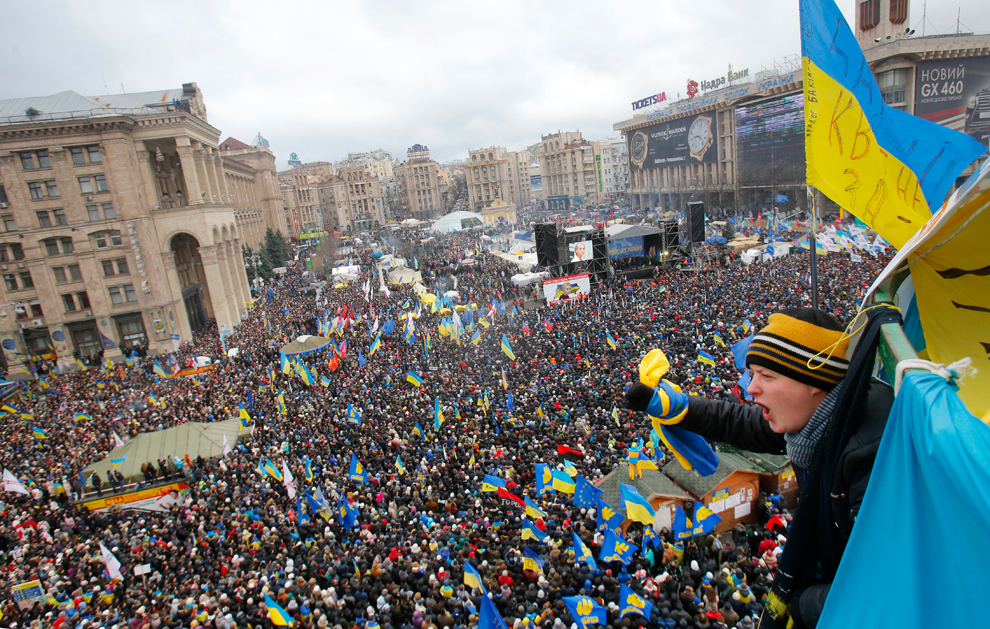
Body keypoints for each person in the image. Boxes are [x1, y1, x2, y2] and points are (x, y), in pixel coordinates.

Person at [626, 307, 894, 628]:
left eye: (767, 376)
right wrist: (680, 408)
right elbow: (743, 423)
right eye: (753, 374)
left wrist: (800, 603)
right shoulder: (816, 419)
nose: (751, 389)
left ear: (815, 381)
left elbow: (884, 589)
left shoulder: (874, 460)